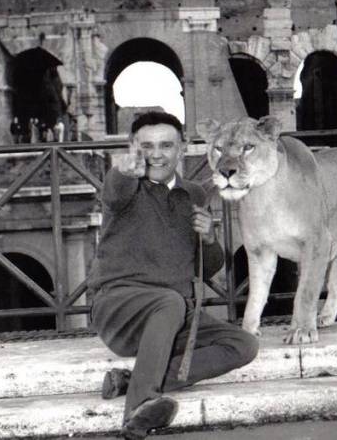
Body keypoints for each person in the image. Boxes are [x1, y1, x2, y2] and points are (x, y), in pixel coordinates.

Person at [88, 111, 258, 439]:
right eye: (146, 146)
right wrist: (123, 169)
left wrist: (209, 239)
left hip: (176, 318)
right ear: (132, 148)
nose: (156, 154)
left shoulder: (194, 194)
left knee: (243, 345)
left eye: (166, 145)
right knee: (168, 302)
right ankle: (139, 406)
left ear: (181, 148)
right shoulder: (124, 186)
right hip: (119, 308)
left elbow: (208, 267)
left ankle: (131, 381)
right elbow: (113, 191)